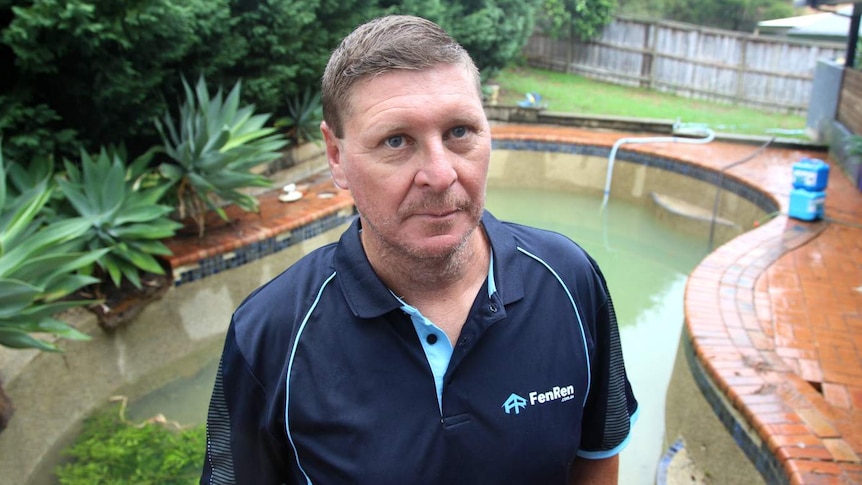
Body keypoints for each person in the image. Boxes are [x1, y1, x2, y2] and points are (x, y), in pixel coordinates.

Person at [201, 15, 638, 485]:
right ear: (335, 157)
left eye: (459, 132)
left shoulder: (570, 279)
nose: (441, 173)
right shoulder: (270, 333)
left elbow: (597, 455)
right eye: (396, 141)